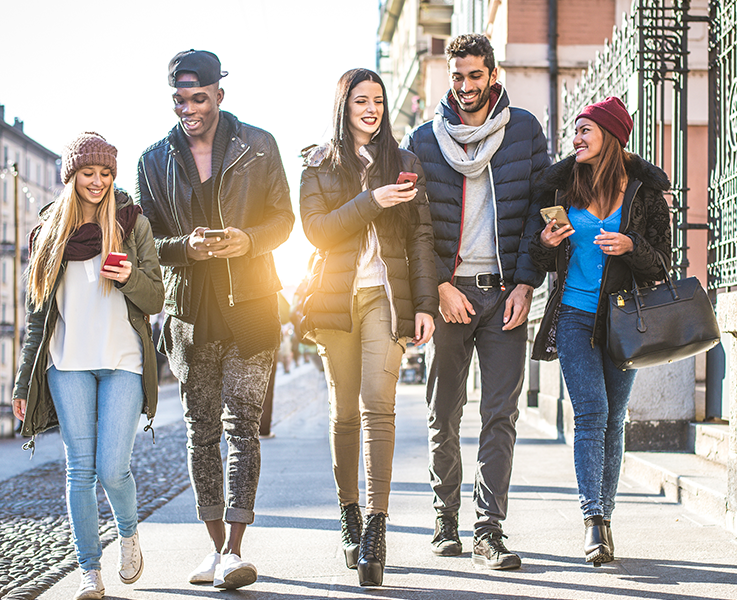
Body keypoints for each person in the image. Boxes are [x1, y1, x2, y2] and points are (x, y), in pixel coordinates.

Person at [135, 49, 294, 590]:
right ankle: (212, 547)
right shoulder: (153, 160)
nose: (189, 109)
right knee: (201, 434)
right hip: (187, 317)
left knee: (242, 428)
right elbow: (147, 243)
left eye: (198, 98)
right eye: (180, 100)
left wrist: (248, 240)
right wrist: (187, 249)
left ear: (219, 96)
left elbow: (285, 221)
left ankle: (234, 548)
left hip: (250, 309)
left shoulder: (259, 145)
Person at [401, 33, 551, 569]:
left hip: (503, 295)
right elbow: (412, 225)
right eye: (457, 76)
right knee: (443, 412)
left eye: (474, 76)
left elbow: (541, 211)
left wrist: (526, 285)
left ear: (493, 75)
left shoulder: (525, 131)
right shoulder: (423, 140)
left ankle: (489, 530)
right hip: (448, 297)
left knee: (499, 415)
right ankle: (445, 521)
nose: (465, 87)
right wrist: (439, 285)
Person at [299, 68, 438, 587]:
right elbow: (317, 232)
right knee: (343, 413)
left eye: (378, 100)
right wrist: (372, 201)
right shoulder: (317, 164)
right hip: (336, 300)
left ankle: (377, 527)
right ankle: (349, 515)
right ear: (344, 106)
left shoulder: (405, 163)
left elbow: (421, 238)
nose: (373, 108)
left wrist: (424, 303)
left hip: (386, 296)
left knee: (379, 405)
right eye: (362, 100)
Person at [12, 132, 164, 600]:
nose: (97, 182)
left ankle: (128, 532)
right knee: (80, 470)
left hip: (122, 362)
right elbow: (37, 317)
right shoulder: (47, 234)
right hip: (67, 364)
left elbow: (157, 297)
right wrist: (22, 382)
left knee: (113, 468)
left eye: (104, 174)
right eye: (87, 173)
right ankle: (89, 571)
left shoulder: (131, 223)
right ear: (72, 177)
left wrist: (128, 278)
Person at [529, 96, 672, 565]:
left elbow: (662, 265)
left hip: (623, 317)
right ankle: (593, 520)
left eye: (586, 130)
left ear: (610, 136)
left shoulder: (644, 194)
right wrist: (546, 243)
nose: (576, 138)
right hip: (572, 314)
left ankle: (605, 518)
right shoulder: (562, 188)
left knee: (615, 417)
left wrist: (630, 245)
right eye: (575, 130)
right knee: (591, 413)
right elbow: (540, 257)